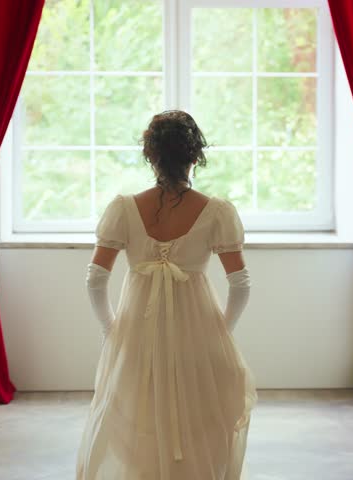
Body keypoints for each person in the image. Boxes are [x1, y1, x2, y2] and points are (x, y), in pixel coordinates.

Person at [76, 110, 257, 480]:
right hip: (198, 328)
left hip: (136, 329)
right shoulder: (216, 212)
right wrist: (222, 328)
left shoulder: (124, 209)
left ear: (151, 154)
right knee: (200, 412)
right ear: (195, 155)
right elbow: (240, 283)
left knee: (136, 411)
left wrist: (111, 327)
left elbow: (96, 278)